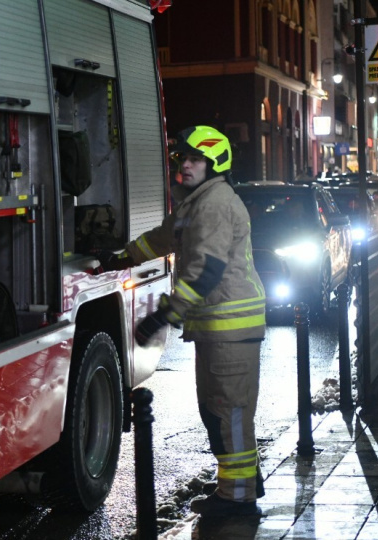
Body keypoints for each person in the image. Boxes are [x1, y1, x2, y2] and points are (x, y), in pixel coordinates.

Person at [98, 125, 266, 517]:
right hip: (219, 328)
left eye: (194, 160)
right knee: (220, 409)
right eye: (182, 159)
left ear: (215, 164)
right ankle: (242, 481)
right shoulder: (197, 203)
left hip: (229, 328)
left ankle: (238, 499)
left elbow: (204, 271)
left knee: (228, 411)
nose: (185, 166)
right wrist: (120, 257)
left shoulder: (215, 204)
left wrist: (164, 315)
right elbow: (162, 238)